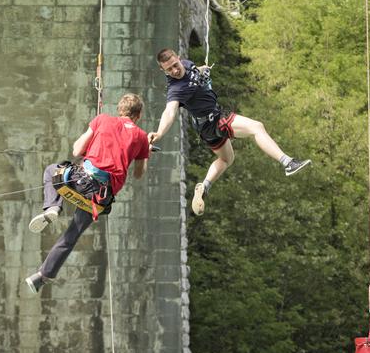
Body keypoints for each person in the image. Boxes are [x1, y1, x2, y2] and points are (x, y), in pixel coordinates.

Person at [148, 48, 311, 216]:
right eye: (169, 69)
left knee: (227, 159)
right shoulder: (175, 89)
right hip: (214, 121)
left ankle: (204, 186)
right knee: (257, 127)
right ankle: (288, 163)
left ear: (179, 58)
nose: (175, 70)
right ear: (163, 71)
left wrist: (202, 70)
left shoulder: (188, 65)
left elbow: (194, 72)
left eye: (175, 65)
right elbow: (169, 112)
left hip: (205, 127)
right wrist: (159, 133)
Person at [25, 93, 151, 294]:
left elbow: (76, 150)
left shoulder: (102, 120)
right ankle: (42, 277)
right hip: (100, 197)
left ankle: (53, 207)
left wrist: (95, 137)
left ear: (120, 109)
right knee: (72, 234)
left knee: (51, 171)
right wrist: (146, 151)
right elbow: (138, 174)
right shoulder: (142, 137)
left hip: (80, 180)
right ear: (139, 115)